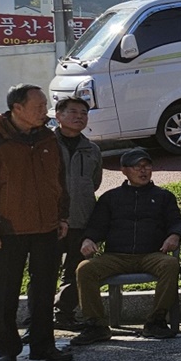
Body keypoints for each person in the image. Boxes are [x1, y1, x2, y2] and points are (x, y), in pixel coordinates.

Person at [0, 84, 73, 361]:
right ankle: (6, 350)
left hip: (46, 228)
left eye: (45, 105)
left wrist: (62, 216)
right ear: (17, 109)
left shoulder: (48, 137)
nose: (44, 110)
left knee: (44, 290)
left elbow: (59, 181)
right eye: (38, 106)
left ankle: (43, 345)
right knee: (4, 293)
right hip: (5, 231)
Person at [72, 148, 181, 345]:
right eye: (137, 167)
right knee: (85, 269)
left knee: (170, 264)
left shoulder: (163, 196)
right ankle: (96, 325)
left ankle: (156, 321)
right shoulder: (111, 197)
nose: (143, 171)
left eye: (147, 166)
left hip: (151, 254)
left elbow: (176, 222)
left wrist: (174, 235)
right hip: (116, 256)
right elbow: (96, 226)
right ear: (124, 170)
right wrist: (89, 239)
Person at [50, 96, 103, 331]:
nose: (79, 116)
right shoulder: (45, 145)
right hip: (48, 221)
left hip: (81, 218)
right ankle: (37, 319)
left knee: (74, 270)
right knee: (44, 272)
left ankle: (63, 315)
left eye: (84, 113)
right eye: (73, 112)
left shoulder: (92, 149)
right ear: (58, 115)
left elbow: (95, 181)